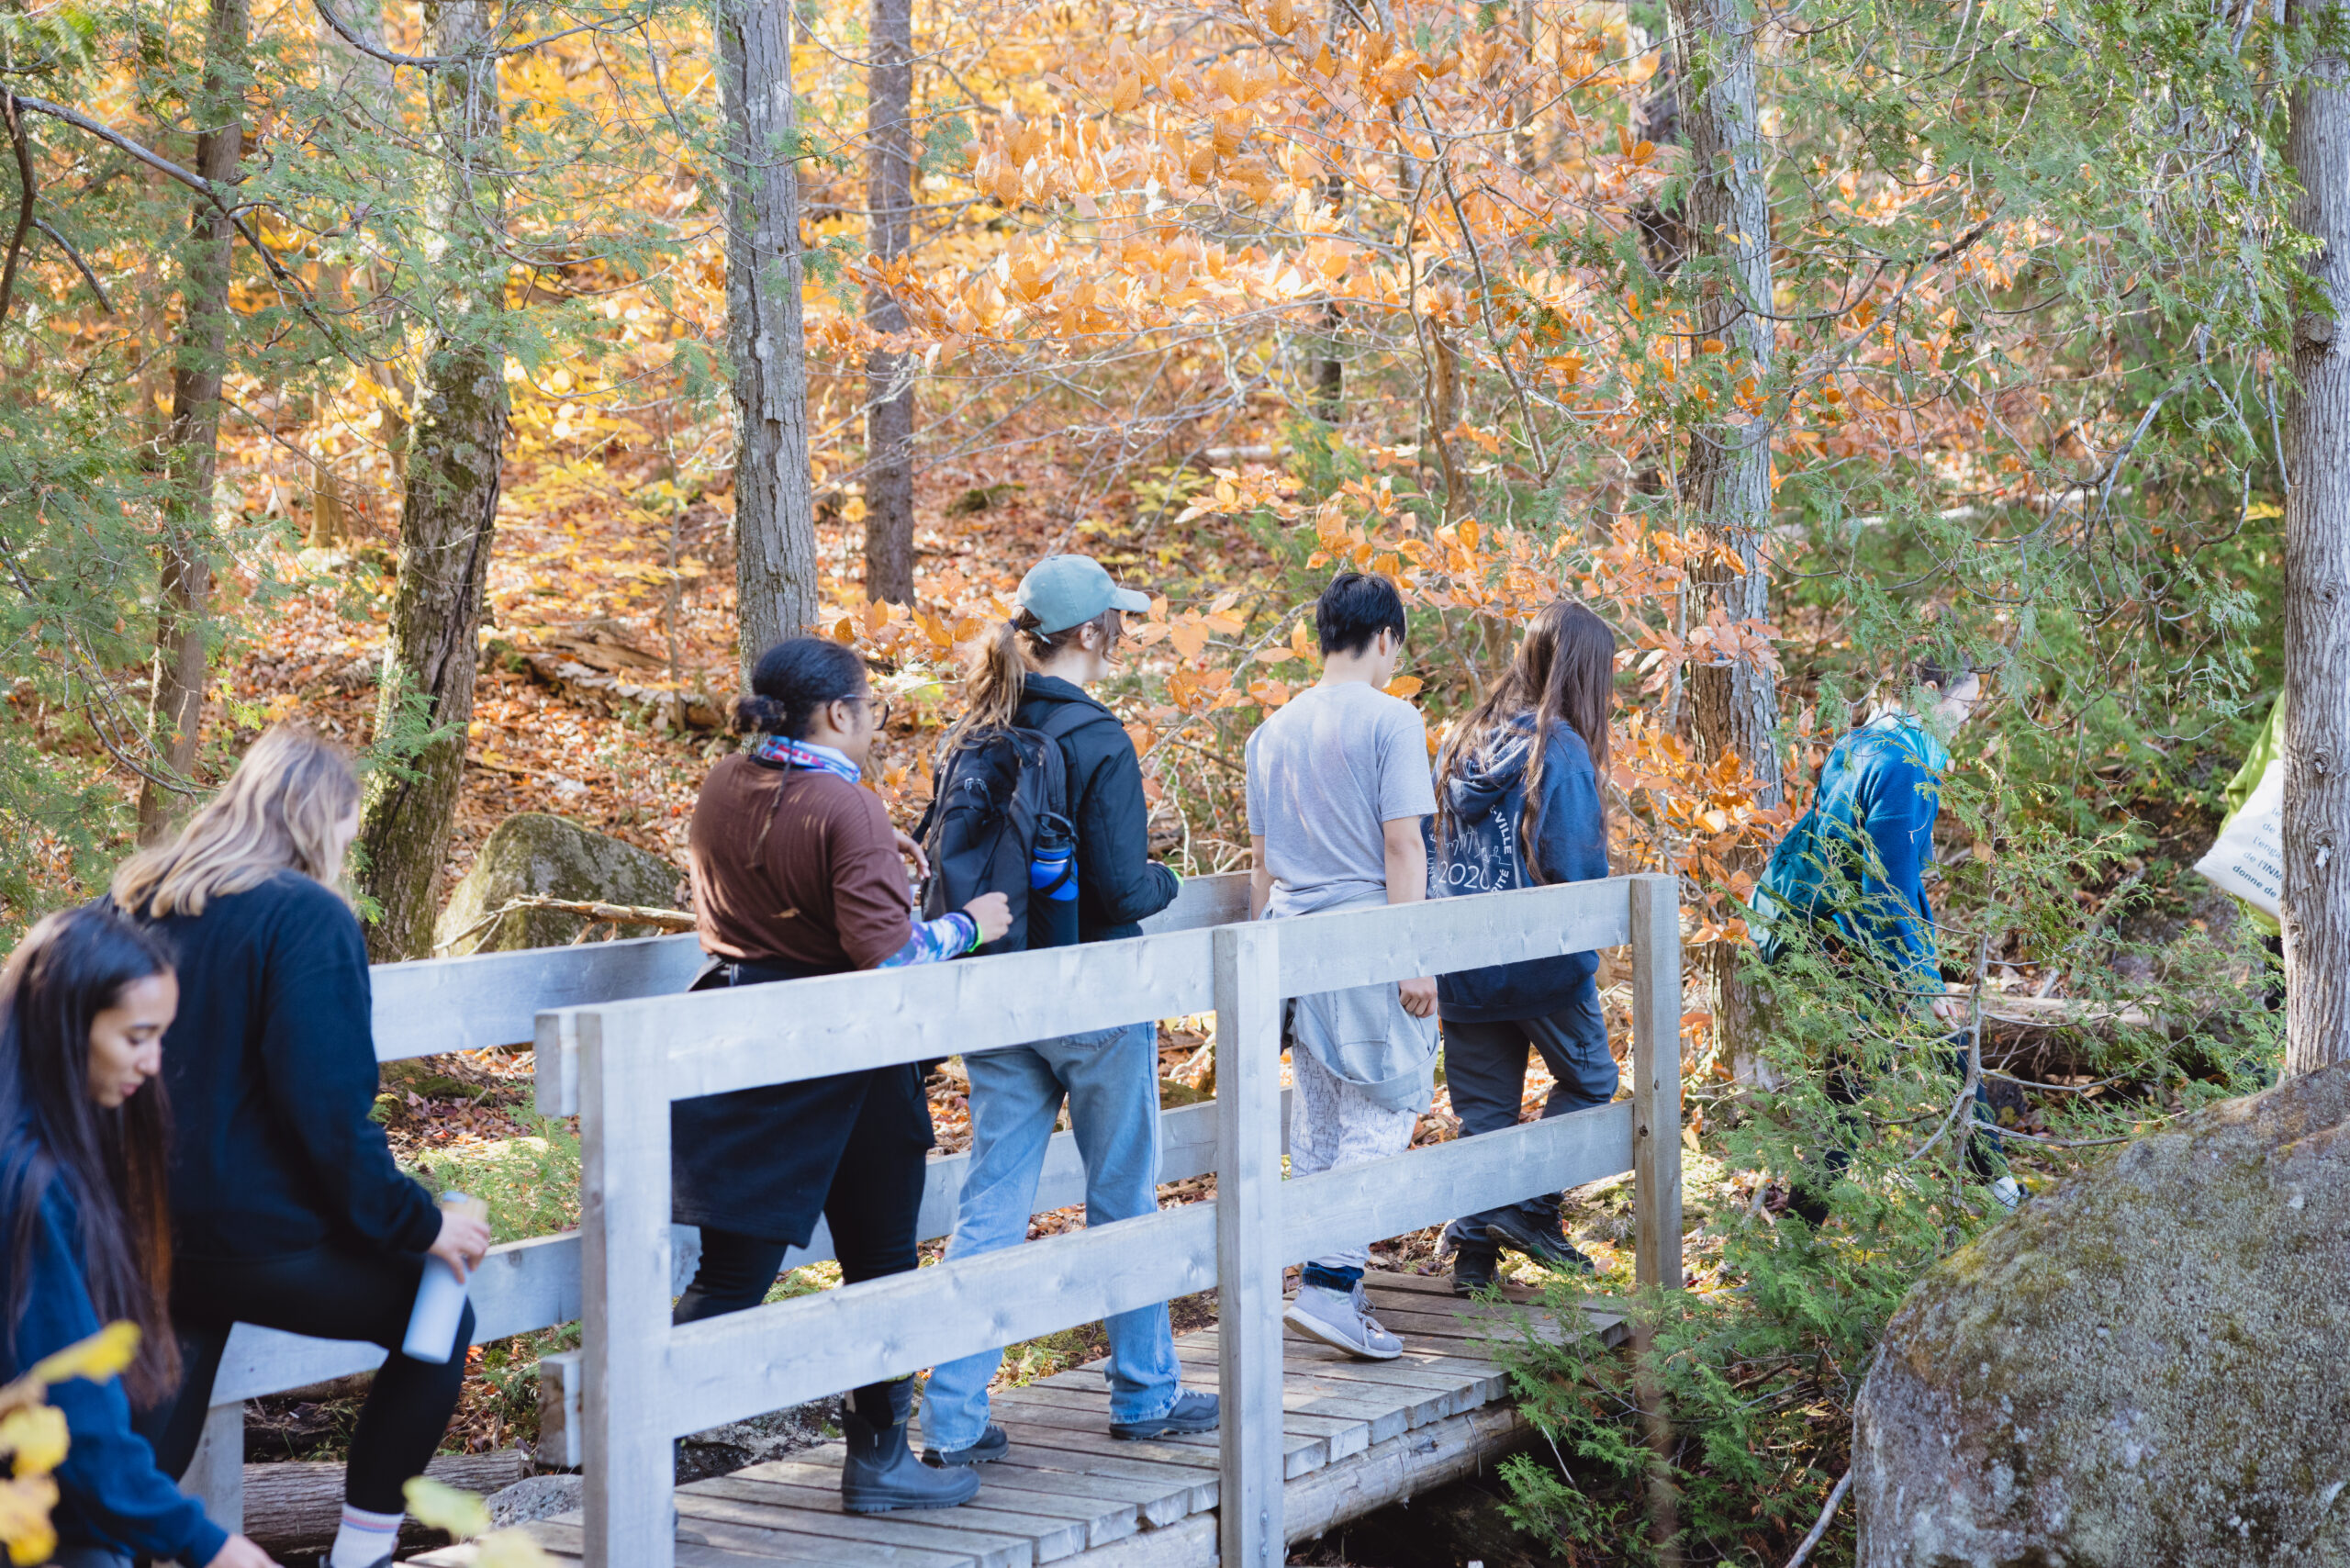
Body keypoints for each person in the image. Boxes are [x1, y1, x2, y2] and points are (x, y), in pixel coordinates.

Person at [117, 727, 490, 1568]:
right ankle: (359, 1555)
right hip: (253, 1240)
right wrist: (419, 1224)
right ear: (322, 820)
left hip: (136, 1229)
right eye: (350, 828)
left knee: (149, 1431)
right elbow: (328, 1111)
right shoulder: (306, 917)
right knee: (439, 1314)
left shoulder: (136, 904)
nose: (351, 846)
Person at [675, 635, 1010, 1513]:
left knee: (730, 1277)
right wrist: (970, 923)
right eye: (873, 709)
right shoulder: (845, 807)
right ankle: (879, 1461)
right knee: (881, 1261)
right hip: (845, 1053)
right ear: (837, 714)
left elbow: (782, 877)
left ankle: (633, 1449)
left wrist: (871, 860)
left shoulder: (725, 783)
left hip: (742, 1049)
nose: (876, 724)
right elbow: (887, 959)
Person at [919, 554, 1219, 1467]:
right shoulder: (1097, 738)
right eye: (1115, 619)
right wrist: (1167, 874)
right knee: (1122, 1194)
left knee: (990, 1203)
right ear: (1092, 632)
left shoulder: (973, 727)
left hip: (1000, 996)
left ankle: (952, 1418)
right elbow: (1124, 886)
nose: (1121, 629)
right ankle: (1143, 1393)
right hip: (1093, 995)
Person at [0, 906, 275, 1568]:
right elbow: (73, 1410)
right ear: (65, 1024)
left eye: (161, 1037)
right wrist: (210, 1546)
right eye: (136, 1038)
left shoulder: (54, 1142)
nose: (154, 1063)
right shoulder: (30, 1184)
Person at [1245, 571, 1438, 1361]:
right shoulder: (1393, 721)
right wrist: (1415, 956)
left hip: (1289, 942)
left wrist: (1255, 966)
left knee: (1319, 1119)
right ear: (1384, 637)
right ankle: (1330, 1281)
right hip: (1364, 940)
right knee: (1388, 1107)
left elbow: (1260, 866)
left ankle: (1328, 1289)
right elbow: (1402, 845)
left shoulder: (1270, 733)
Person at [1750, 657, 2020, 1222]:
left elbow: (1887, 876)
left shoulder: (1863, 741)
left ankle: (1801, 1221)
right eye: (1963, 704)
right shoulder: (1905, 767)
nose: (1966, 718)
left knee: (1853, 1079)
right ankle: (2009, 1201)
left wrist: (1926, 969)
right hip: (1842, 935)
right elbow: (1888, 890)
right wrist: (1923, 982)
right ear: (1928, 692)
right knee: (1939, 1055)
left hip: (1817, 927)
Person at [1427, 600, 1618, 1296]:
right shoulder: (1559, 749)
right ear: (1583, 672)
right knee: (1592, 1082)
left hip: (1462, 963)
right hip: (1543, 967)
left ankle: (1474, 1259)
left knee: (1485, 1115)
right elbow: (1574, 868)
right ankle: (1529, 1210)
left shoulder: (1465, 737)